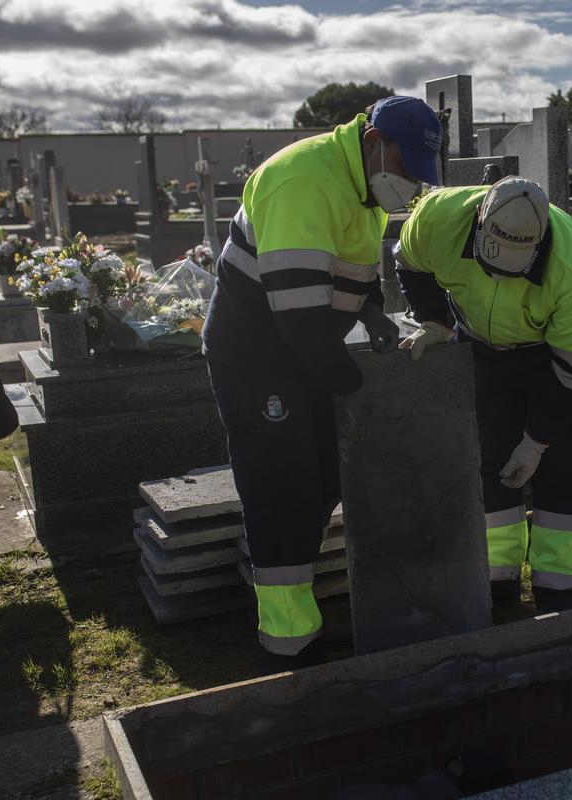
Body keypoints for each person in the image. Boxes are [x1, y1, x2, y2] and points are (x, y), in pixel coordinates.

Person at [201, 96, 442, 671]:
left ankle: (294, 604)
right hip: (258, 356)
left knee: (319, 478)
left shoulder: (363, 189)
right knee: (282, 486)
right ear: (373, 141)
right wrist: (357, 386)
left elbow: (351, 272)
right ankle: (289, 642)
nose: (408, 183)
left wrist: (374, 314)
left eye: (417, 172)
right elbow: (300, 318)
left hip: (301, 350)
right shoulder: (303, 180)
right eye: (404, 166)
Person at [394, 177, 572, 613]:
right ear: (478, 220)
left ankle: (560, 600)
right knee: (487, 467)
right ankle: (494, 587)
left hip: (551, 358)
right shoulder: (437, 217)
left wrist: (536, 441)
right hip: (482, 351)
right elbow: (409, 264)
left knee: (565, 479)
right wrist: (434, 320)